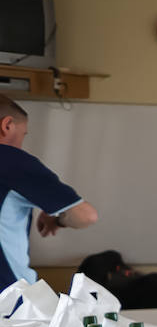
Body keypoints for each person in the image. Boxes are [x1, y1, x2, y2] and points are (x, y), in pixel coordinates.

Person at [0, 95, 99, 292]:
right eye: (23, 135)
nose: (20, 144)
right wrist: (59, 217)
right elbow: (86, 216)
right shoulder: (10, 160)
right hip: (7, 298)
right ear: (7, 125)